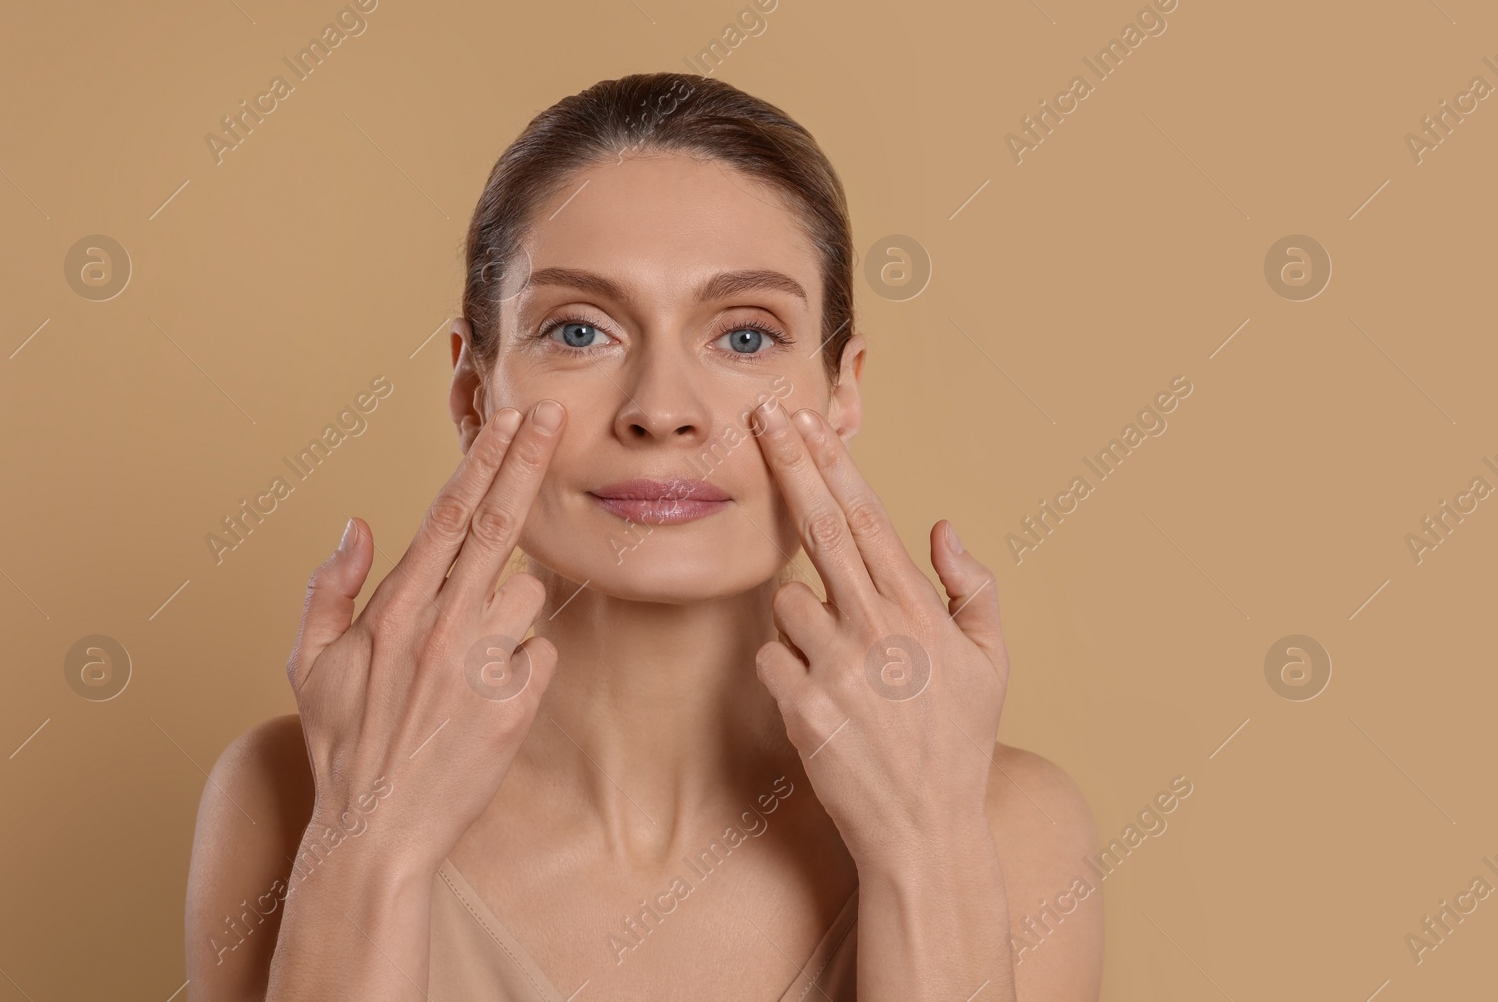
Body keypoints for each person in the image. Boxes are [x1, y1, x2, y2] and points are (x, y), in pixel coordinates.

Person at [185, 72, 1103, 1001]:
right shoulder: (286, 792)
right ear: (473, 391)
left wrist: (924, 842)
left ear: (842, 391)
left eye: (746, 338)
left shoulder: (1009, 823)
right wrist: (367, 834)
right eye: (580, 330)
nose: (662, 411)